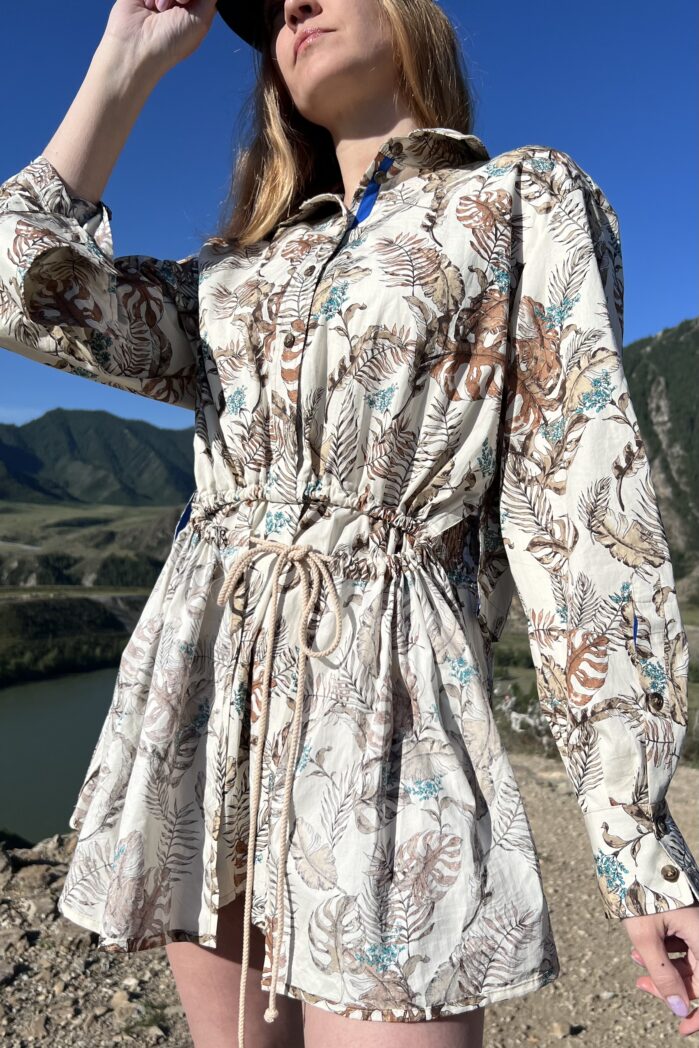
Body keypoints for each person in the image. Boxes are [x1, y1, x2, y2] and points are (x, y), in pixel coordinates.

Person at [1, 0, 698, 1045]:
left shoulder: (517, 199)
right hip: (208, 696)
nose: (289, 6)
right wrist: (126, 58)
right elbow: (21, 283)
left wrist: (638, 843)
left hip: (388, 711)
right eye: (264, 8)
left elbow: (582, 507)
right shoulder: (235, 273)